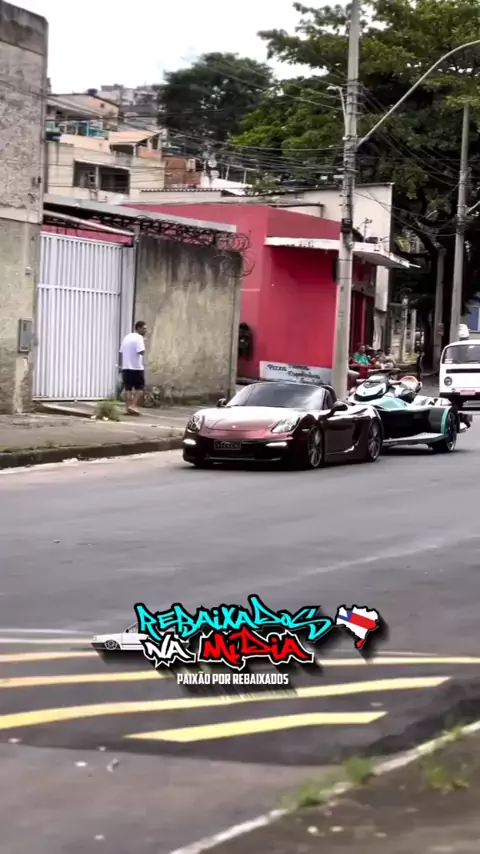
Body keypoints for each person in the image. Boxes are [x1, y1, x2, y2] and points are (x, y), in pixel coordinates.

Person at [119, 321, 147, 415]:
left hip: (126, 367)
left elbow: (121, 351)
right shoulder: (139, 338)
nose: (145, 330)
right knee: (140, 388)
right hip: (136, 368)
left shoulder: (127, 337)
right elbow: (141, 352)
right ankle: (133, 405)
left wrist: (121, 365)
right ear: (138, 328)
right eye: (144, 328)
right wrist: (143, 342)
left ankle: (128, 408)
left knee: (128, 389)